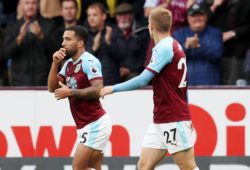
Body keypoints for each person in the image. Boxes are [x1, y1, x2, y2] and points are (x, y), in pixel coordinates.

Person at [100, 8, 199, 170]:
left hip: (173, 118)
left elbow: (143, 79)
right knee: (144, 166)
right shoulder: (173, 45)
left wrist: (113, 88)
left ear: (151, 25)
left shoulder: (164, 48)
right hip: (161, 118)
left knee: (188, 167)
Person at [48, 25, 112, 170]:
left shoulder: (89, 62)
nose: (63, 43)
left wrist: (70, 92)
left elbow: (98, 89)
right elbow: (52, 88)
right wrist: (55, 64)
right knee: (93, 165)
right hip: (84, 124)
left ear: (80, 43)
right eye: (63, 39)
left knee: (77, 167)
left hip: (96, 123)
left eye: (68, 39)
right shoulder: (69, 64)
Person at [3, 0, 55, 86]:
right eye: (27, 3)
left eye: (33, 3)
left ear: (38, 5)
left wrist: (42, 36)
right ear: (20, 5)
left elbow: (56, 52)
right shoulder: (13, 26)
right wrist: (19, 38)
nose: (30, 6)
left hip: (44, 80)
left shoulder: (49, 24)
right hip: (19, 81)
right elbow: (6, 54)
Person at [173, 3, 223, 85]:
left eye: (200, 15)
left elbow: (217, 54)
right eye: (193, 15)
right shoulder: (179, 34)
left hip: (210, 83)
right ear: (188, 18)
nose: (197, 18)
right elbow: (174, 57)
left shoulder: (215, 33)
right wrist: (186, 46)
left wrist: (198, 46)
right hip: (184, 84)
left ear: (206, 17)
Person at [85, 2, 126, 85]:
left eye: (94, 15)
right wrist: (94, 48)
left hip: (112, 83)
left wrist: (109, 42)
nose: (91, 18)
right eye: (89, 15)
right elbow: (81, 62)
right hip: (91, 84)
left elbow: (122, 55)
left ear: (104, 16)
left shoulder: (114, 31)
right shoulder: (84, 34)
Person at [114, 2, 150, 81]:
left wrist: (130, 70)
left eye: (126, 15)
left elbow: (146, 58)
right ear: (116, 17)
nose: (123, 18)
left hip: (136, 73)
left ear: (132, 15)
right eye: (120, 15)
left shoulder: (143, 32)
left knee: (134, 78)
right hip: (116, 73)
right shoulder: (112, 33)